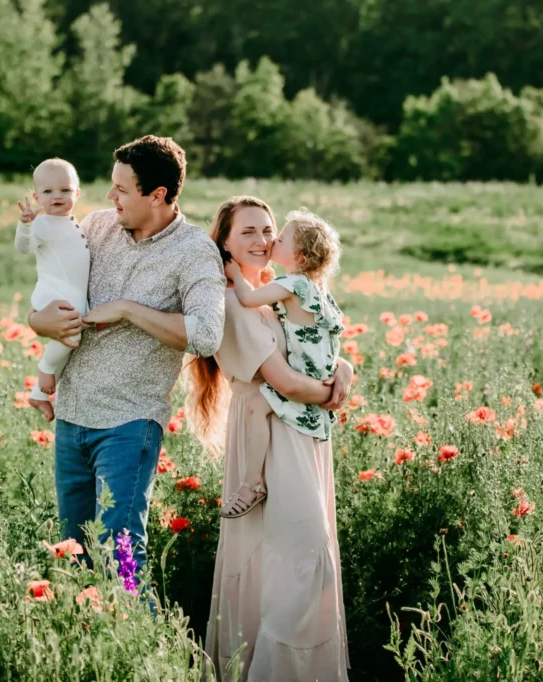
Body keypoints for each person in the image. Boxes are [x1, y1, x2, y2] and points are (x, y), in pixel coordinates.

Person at [27, 136, 225, 572]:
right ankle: (88, 636)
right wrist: (38, 321)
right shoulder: (96, 227)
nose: (108, 196)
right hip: (72, 418)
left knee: (122, 556)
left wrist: (129, 310)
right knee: (72, 557)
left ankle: (143, 635)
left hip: (129, 425)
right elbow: (50, 288)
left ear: (157, 196)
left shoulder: (194, 252)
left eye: (121, 189)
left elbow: (207, 335)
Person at [187, 196, 352, 681]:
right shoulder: (232, 300)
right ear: (224, 243)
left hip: (298, 431)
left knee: (300, 553)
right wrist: (334, 390)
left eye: (268, 231)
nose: (262, 241)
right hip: (272, 431)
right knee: (296, 551)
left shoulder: (275, 293)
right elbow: (285, 381)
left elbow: (313, 345)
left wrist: (343, 366)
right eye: (249, 233)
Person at [220, 209, 344, 518]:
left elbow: (249, 299)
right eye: (249, 231)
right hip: (314, 373)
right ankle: (252, 483)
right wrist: (339, 372)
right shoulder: (316, 288)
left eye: (279, 236)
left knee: (256, 409)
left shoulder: (291, 285)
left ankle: (251, 483)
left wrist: (235, 274)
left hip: (302, 380)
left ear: (299, 256)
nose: (272, 240)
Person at [14, 158, 89, 422]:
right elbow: (24, 247)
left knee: (71, 340)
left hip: (70, 293)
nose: (57, 196)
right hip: (52, 293)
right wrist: (25, 225)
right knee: (70, 336)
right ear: (37, 197)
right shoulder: (42, 225)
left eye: (65, 190)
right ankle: (44, 368)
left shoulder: (74, 223)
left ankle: (39, 395)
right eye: (48, 192)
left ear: (77, 194)